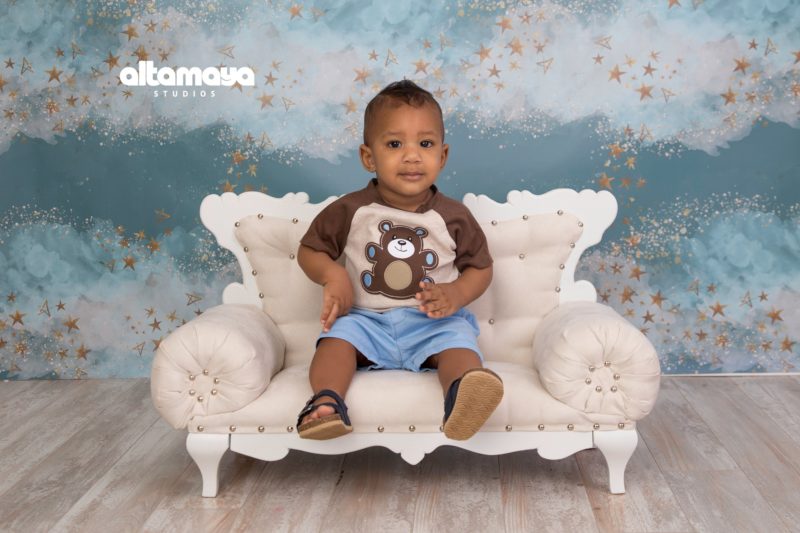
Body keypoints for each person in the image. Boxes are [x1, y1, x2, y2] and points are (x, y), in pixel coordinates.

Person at [296, 80, 502, 441]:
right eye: (394, 144)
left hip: (431, 323)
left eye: (426, 144)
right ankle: (326, 402)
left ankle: (462, 396)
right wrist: (333, 275)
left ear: (442, 155)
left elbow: (480, 268)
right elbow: (310, 250)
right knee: (335, 341)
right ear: (368, 157)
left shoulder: (454, 216)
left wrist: (456, 293)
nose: (412, 156)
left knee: (457, 342)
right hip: (366, 321)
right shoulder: (351, 209)